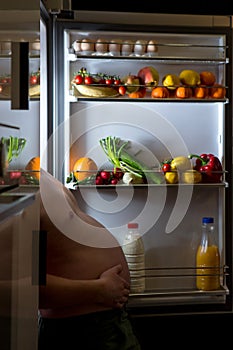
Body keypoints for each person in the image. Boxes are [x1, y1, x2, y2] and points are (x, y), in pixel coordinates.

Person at [38, 169, 141, 350]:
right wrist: (99, 290)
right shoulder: (15, 195)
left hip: (105, 321)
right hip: (80, 330)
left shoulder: (35, 177)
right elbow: (24, 287)